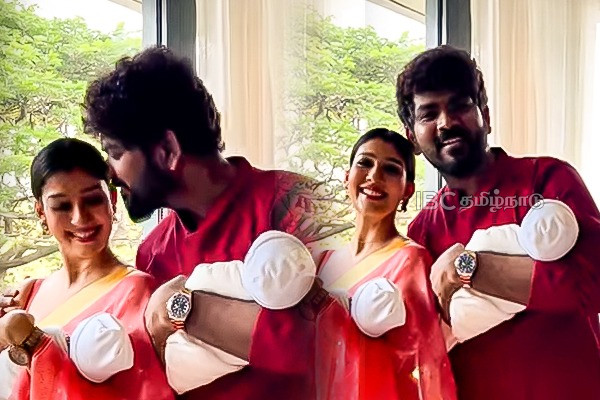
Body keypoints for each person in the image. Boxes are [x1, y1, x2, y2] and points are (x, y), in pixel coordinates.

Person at [81, 45, 335, 400]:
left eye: (116, 152)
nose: (110, 172)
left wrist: (183, 307)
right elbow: (156, 375)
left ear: (168, 151)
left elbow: (326, 343)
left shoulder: (296, 203)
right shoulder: (153, 252)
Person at [398, 45, 600, 399]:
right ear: (412, 137)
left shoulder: (547, 180)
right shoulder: (422, 231)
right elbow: (424, 341)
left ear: (486, 116)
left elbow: (592, 283)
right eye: (429, 113)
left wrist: (470, 267)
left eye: (460, 105)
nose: (446, 122)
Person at [0, 139, 174, 400]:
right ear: (41, 213)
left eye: (92, 200)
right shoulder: (27, 294)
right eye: (62, 206)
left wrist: (32, 341)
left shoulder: (137, 291)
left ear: (111, 201)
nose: (80, 218)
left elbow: (140, 391)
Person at [314, 128, 456, 400]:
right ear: (347, 177)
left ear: (407, 190)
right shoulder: (322, 261)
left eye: (391, 169)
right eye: (364, 163)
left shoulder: (410, 260)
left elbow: (424, 361)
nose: (374, 176)